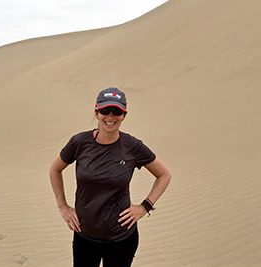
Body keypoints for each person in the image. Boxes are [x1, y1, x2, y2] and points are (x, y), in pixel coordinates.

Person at [49, 87, 171, 267]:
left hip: (120, 238)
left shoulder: (132, 146)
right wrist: (63, 207)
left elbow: (164, 175)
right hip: (85, 235)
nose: (111, 116)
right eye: (105, 110)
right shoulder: (80, 142)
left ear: (124, 115)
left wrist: (145, 207)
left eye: (117, 111)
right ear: (96, 112)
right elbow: (55, 170)